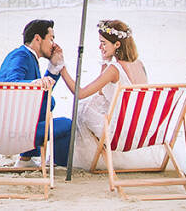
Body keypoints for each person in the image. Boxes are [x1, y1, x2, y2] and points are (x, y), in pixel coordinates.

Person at [52, 19, 156, 169]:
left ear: (117, 45)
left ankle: (93, 159)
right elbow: (102, 92)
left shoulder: (115, 69)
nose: (100, 46)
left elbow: (80, 93)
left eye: (103, 43)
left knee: (83, 109)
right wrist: (104, 61)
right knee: (90, 106)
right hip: (137, 131)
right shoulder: (139, 65)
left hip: (118, 135)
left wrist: (61, 66)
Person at [0, 19, 73, 167]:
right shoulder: (21, 56)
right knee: (68, 124)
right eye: (51, 39)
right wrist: (33, 83)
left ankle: (26, 160)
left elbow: (40, 96)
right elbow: (11, 84)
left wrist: (55, 67)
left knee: (45, 104)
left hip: (10, 128)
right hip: (12, 133)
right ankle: (59, 164)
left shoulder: (27, 57)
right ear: (38, 38)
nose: (54, 44)